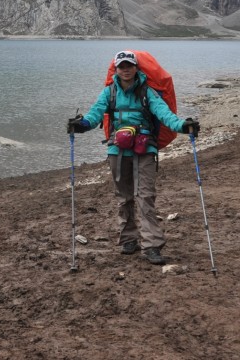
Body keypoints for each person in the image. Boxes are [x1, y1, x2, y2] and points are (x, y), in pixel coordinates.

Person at [68, 50, 199, 266]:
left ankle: (152, 245)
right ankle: (129, 239)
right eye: (122, 66)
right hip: (117, 151)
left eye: (129, 65)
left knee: (145, 196)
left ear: (136, 67)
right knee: (124, 196)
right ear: (116, 69)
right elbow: (95, 114)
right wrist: (81, 125)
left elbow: (165, 115)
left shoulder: (148, 92)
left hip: (145, 149)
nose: (126, 70)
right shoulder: (109, 92)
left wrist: (184, 126)